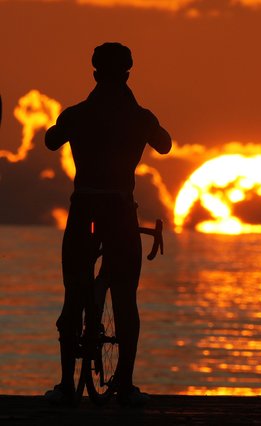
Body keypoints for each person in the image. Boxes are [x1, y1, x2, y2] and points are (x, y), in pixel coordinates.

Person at [44, 42, 172, 406]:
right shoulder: (140, 117)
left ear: (95, 73)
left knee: (73, 295)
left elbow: (51, 140)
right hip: (119, 210)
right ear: (128, 74)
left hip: (83, 207)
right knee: (126, 298)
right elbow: (165, 145)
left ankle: (67, 387)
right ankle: (125, 386)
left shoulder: (77, 114)